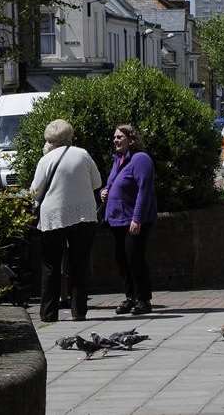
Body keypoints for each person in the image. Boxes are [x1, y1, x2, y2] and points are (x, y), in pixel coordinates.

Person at [29, 119, 101, 322]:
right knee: (80, 262)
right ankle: (79, 311)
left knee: (50, 264)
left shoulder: (46, 159)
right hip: (84, 215)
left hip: (53, 217)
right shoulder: (83, 154)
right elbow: (97, 182)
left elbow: (35, 192)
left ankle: (49, 313)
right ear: (70, 136)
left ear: (50, 139)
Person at [100, 124, 157, 315]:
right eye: (114, 137)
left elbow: (144, 191)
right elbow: (111, 184)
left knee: (135, 259)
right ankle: (130, 297)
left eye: (119, 137)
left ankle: (143, 299)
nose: (115, 140)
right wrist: (104, 192)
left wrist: (137, 218)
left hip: (133, 219)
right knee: (122, 260)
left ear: (131, 139)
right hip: (117, 220)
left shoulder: (141, 159)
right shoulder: (118, 160)